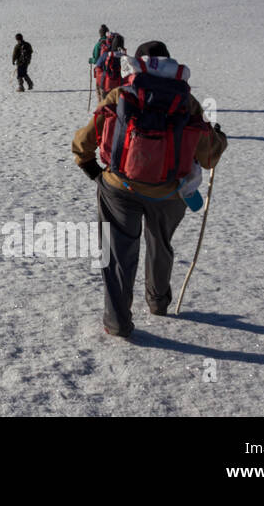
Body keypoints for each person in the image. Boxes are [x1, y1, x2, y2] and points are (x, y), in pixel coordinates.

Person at [71, 40, 227, 338]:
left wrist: (92, 169)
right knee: (160, 243)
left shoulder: (121, 94)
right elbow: (208, 156)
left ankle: (117, 321)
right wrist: (220, 137)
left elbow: (84, 141)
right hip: (170, 192)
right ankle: (158, 302)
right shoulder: (186, 101)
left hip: (120, 187)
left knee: (118, 253)